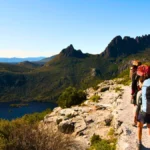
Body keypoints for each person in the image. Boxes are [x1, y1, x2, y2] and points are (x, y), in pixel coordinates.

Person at [136, 72, 150, 150]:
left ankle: (139, 143)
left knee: (139, 126)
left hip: (144, 110)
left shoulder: (144, 83)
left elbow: (138, 103)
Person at [130, 60, 142, 126]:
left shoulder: (134, 74)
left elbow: (133, 85)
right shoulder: (144, 73)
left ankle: (135, 121)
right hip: (144, 91)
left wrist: (132, 94)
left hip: (136, 93)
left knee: (135, 107)